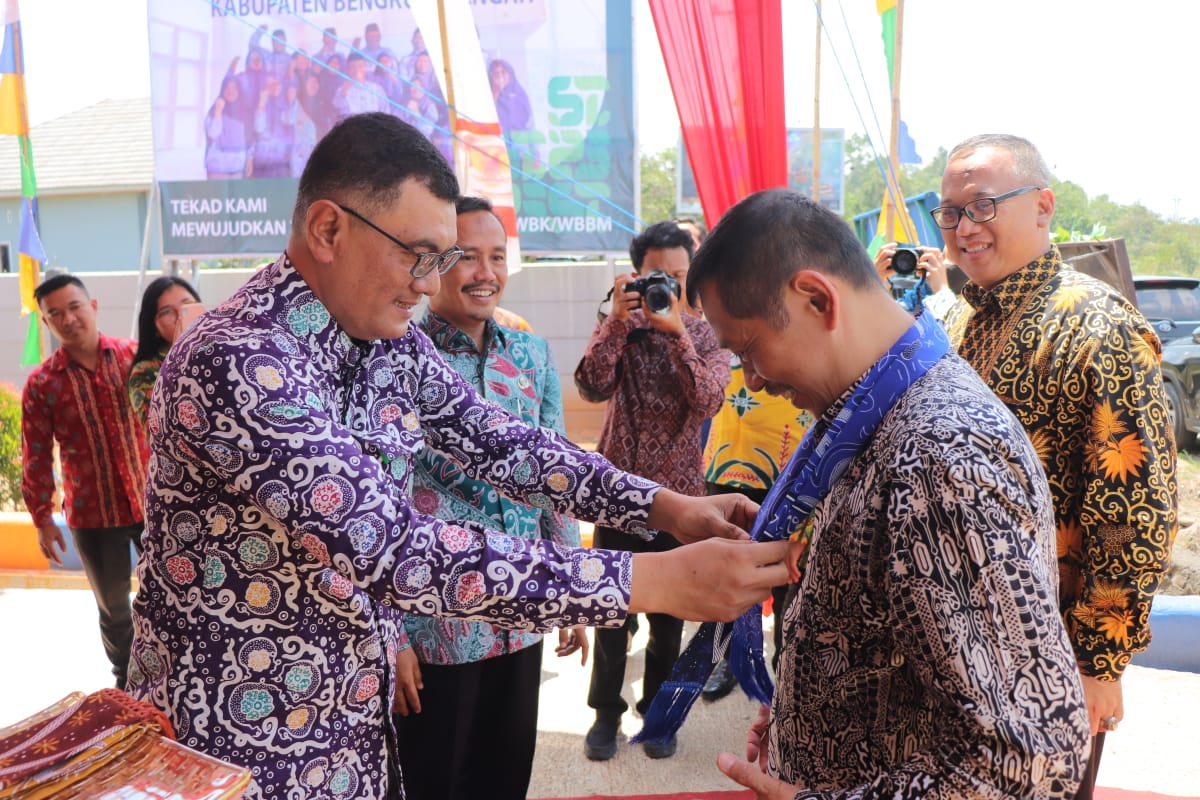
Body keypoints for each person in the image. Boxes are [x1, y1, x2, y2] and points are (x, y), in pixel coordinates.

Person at [126, 113, 790, 800]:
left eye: (441, 259)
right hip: (243, 747)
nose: (428, 283)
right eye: (420, 255)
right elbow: (395, 550)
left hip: (352, 733)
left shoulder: (388, 341)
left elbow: (502, 441)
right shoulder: (236, 358)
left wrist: (666, 507)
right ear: (327, 229)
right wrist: (651, 581)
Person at [683, 189, 1090, 797]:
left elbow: (1027, 758)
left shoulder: (940, 455)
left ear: (817, 299)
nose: (756, 381)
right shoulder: (870, 411)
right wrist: (804, 709)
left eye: (748, 350)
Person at [937, 134, 1177, 800]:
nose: (965, 227)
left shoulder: (1100, 328)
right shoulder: (955, 320)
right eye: (951, 212)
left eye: (982, 205)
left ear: (1042, 206)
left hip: (1050, 660)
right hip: (955, 647)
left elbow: (1134, 508)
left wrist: (1100, 662)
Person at [391, 196, 583, 799]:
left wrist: (571, 591)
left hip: (522, 609)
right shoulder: (395, 357)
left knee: (507, 774)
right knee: (435, 780)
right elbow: (378, 508)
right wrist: (392, 636)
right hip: (435, 622)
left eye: (497, 257)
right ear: (434, 263)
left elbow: (557, 483)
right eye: (467, 256)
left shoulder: (533, 356)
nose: (486, 273)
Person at [575, 220, 731, 761]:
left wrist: (677, 334)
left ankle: (658, 713)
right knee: (610, 613)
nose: (668, 286)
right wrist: (615, 323)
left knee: (669, 620)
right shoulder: (622, 326)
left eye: (678, 276)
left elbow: (708, 399)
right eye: (656, 276)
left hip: (679, 502)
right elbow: (591, 385)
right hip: (617, 494)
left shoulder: (706, 335)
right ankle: (605, 714)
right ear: (637, 275)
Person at [21, 274, 148, 690]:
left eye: (74, 306)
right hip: (94, 516)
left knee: (175, 595)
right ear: (46, 322)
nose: (68, 318)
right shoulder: (42, 385)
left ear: (93, 306)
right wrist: (42, 518)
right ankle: (127, 688)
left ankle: (177, 677)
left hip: (154, 506)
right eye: (55, 313)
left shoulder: (134, 359)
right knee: (114, 610)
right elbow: (36, 455)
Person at [699, 366, 810, 700]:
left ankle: (785, 667)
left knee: (787, 571)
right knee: (731, 568)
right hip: (729, 449)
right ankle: (733, 660)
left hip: (787, 449)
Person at [128, 276, 201, 430]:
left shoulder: (222, 351)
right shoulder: (145, 372)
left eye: (187, 305)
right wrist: (180, 356)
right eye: (167, 311)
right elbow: (157, 432)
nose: (180, 315)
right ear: (154, 327)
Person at [203, 76, 250, 179]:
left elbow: (249, 138)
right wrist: (218, 112)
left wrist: (250, 159)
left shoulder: (244, 112)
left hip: (237, 166)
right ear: (222, 90)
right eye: (227, 88)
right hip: (217, 167)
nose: (230, 91)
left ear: (239, 91)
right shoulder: (213, 111)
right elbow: (213, 134)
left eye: (234, 88)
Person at [488, 58, 532, 134]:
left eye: (503, 72)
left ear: (510, 74)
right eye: (496, 73)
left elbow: (523, 121)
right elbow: (486, 116)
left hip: (518, 138)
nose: (499, 75)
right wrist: (496, 91)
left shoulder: (518, 94)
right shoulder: (487, 94)